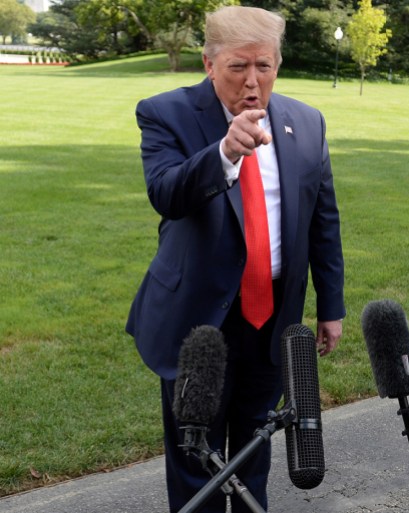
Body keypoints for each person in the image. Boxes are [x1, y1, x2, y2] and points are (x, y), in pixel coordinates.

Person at [125, 6, 345, 512]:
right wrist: (223, 152)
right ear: (208, 63)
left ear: (278, 63)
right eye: (237, 68)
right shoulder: (165, 113)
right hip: (198, 326)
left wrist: (330, 306)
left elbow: (322, 221)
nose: (252, 82)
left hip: (271, 322)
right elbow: (166, 193)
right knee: (195, 463)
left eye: (263, 66)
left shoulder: (307, 122)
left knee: (255, 454)